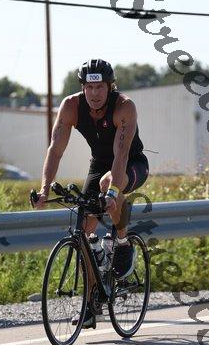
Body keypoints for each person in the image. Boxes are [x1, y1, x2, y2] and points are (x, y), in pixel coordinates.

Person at [34, 58, 149, 327]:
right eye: (89, 88)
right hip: (99, 164)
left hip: (131, 163)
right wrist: (44, 189)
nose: (94, 94)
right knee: (83, 231)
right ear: (82, 88)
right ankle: (92, 302)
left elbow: (121, 155)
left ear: (110, 87)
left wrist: (113, 193)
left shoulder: (124, 107)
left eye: (100, 88)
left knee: (108, 185)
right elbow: (55, 150)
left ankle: (123, 243)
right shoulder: (71, 106)